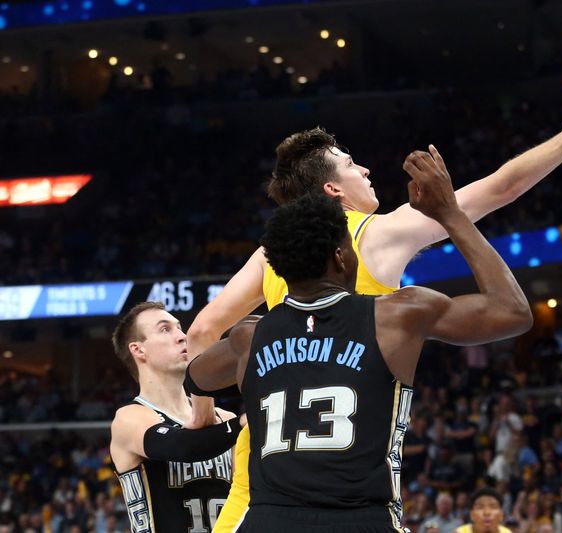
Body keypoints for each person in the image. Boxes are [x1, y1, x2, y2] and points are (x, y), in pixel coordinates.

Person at [189, 79, 562, 531]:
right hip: (351, 477)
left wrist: (211, 417)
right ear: (334, 191)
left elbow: (202, 332)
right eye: (352, 165)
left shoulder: (273, 253)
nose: (366, 170)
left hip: (263, 475)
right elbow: (502, 188)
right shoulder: (379, 232)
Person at [185, 149, 533, 531]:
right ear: (341, 258)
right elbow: (511, 312)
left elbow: (196, 375)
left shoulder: (250, 337)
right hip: (361, 518)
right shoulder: (395, 315)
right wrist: (449, 213)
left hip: (268, 519)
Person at [109, 302, 242, 532]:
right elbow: (182, 446)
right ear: (139, 350)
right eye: (165, 329)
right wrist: (242, 424)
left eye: (180, 328)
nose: (182, 336)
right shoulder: (129, 419)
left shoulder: (224, 417)